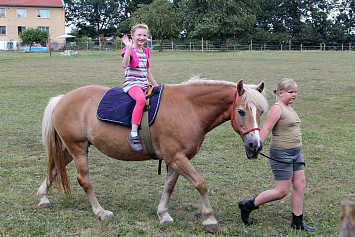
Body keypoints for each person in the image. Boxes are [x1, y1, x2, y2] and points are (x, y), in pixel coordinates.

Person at [238, 78, 316, 231]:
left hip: (295, 153)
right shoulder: (277, 108)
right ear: (280, 93)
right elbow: (266, 128)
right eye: (290, 92)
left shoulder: (289, 107)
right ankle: (248, 205)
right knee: (281, 191)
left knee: (300, 185)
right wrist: (258, 143)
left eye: (295, 92)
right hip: (282, 154)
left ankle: (297, 221)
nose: (294, 95)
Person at [121, 23, 158, 152]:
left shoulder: (146, 52)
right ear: (132, 36)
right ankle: (133, 134)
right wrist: (129, 47)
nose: (142, 37)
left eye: (144, 35)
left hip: (144, 84)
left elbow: (147, 71)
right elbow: (125, 65)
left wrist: (156, 85)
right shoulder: (129, 49)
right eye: (139, 35)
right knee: (141, 100)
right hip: (132, 84)